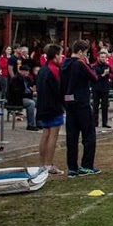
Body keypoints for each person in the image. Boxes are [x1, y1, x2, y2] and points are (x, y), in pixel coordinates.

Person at [61, 40, 101, 177]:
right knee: (89, 134)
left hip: (68, 101)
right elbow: (94, 77)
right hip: (81, 102)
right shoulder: (80, 64)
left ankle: (72, 167)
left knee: (72, 136)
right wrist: (88, 63)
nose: (86, 55)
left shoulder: (64, 64)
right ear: (80, 52)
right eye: (85, 53)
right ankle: (86, 165)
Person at [35, 43, 65, 174]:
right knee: (53, 135)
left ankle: (42, 164)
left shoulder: (43, 69)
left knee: (45, 134)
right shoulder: (54, 70)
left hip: (42, 105)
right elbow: (59, 89)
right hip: (52, 106)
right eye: (60, 54)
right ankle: (48, 164)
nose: (62, 57)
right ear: (55, 55)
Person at [7, 63, 39, 131]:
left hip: (26, 97)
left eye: (28, 71)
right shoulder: (15, 79)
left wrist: (33, 91)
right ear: (20, 71)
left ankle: (39, 122)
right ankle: (31, 125)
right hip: (16, 99)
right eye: (26, 71)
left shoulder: (27, 79)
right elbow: (18, 93)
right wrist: (31, 94)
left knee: (39, 101)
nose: (27, 72)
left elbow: (31, 87)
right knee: (31, 103)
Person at [91, 49, 113, 128]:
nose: (103, 59)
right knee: (95, 106)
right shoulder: (94, 66)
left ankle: (105, 122)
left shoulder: (107, 66)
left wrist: (109, 73)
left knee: (105, 106)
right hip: (96, 88)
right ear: (98, 58)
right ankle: (95, 122)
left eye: (105, 57)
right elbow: (94, 77)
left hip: (105, 88)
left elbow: (112, 74)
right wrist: (103, 75)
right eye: (102, 57)